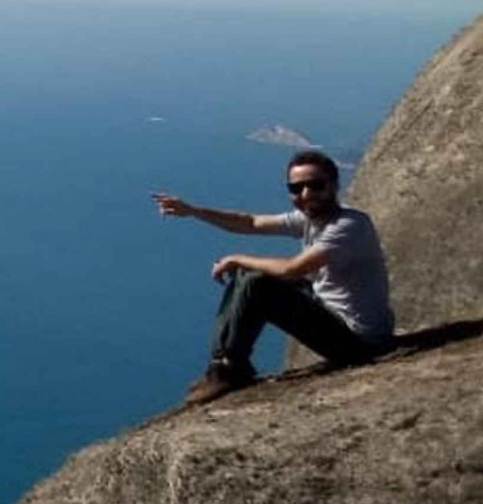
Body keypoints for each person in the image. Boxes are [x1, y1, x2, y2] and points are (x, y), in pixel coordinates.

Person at [152, 149, 393, 405]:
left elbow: (292, 269)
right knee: (248, 276)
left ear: (334, 185)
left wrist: (237, 259)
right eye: (296, 188)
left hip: (360, 342)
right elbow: (250, 222)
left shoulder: (348, 226)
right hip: (332, 314)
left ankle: (232, 369)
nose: (306, 194)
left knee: (258, 283)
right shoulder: (310, 219)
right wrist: (193, 211)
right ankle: (220, 366)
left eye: (316, 185)